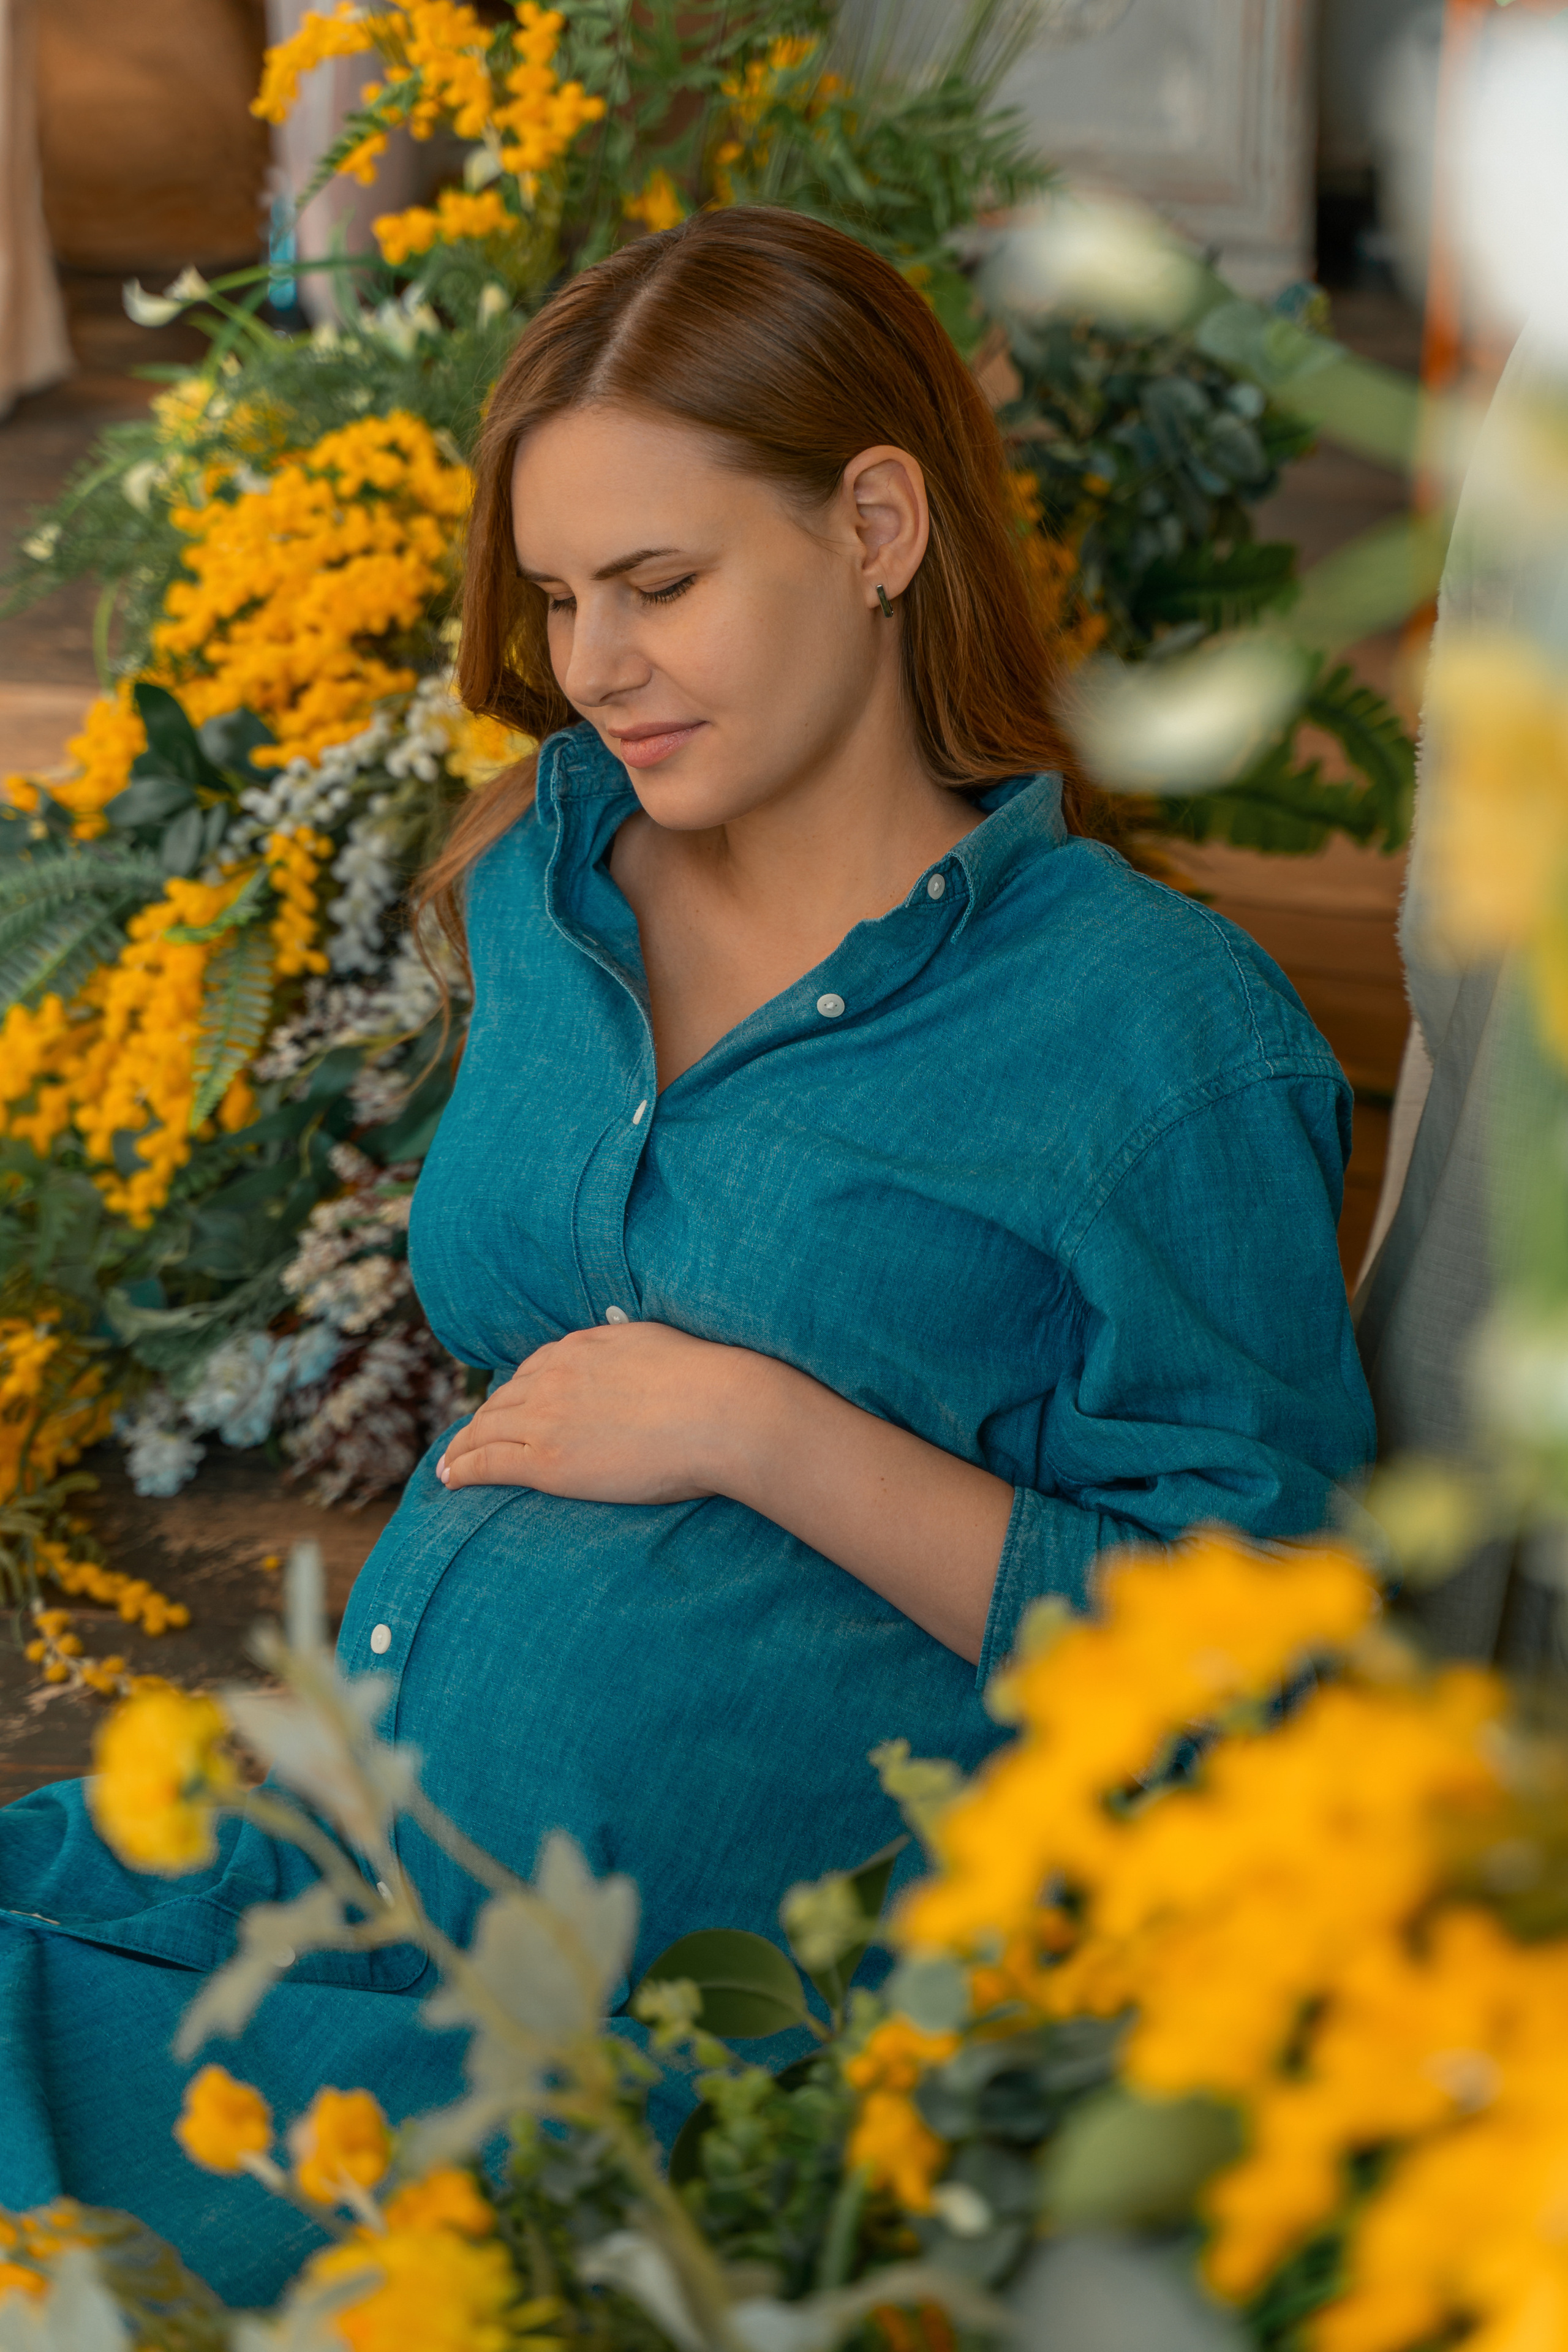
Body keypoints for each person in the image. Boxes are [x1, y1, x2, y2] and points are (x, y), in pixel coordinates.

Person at [0, 207, 1374, 2303]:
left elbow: (1260, 1663)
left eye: (660, 584)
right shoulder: (552, 875)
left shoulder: (1152, 1039)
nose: (593, 661)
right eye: (559, 597)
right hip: (324, 1860)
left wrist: (762, 1429)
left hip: (651, 2044)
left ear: (881, 525)